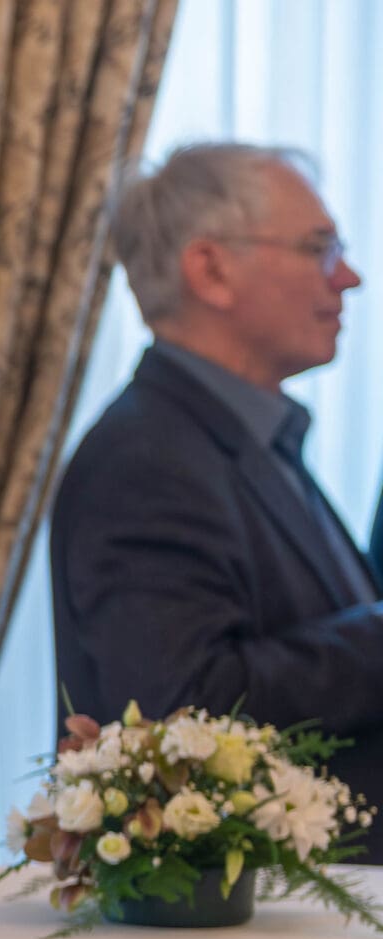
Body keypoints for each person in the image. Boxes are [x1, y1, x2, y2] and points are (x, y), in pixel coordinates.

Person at [53, 142, 383, 809]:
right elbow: (186, 709)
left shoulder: (243, 438)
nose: (348, 277)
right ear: (210, 270)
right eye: (319, 248)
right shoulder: (145, 461)